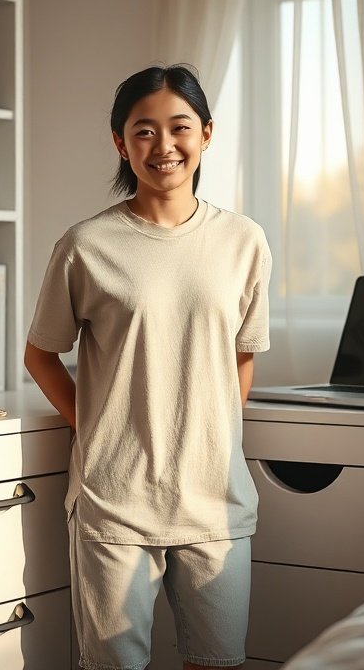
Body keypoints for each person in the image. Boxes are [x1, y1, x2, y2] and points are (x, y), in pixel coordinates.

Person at [24, 64, 272, 670]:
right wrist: (94, 424)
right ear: (120, 143)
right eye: (143, 131)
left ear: (206, 134)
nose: (163, 146)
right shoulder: (86, 246)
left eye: (179, 127)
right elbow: (41, 354)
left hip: (215, 501)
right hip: (115, 499)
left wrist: (212, 435)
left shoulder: (244, 241)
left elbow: (242, 354)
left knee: (220, 662)